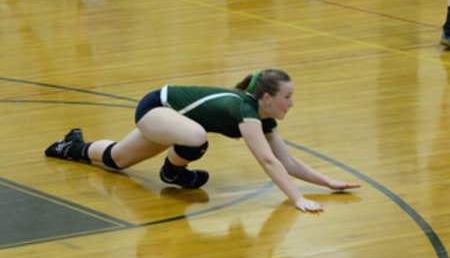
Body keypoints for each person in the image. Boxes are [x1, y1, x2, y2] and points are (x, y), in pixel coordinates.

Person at [44, 69, 361, 212]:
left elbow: (287, 162)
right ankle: (172, 172)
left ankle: (70, 146)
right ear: (267, 98)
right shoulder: (245, 109)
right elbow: (267, 161)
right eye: (287, 97)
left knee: (117, 159)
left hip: (173, 120)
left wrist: (328, 182)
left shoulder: (263, 118)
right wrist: (297, 199)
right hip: (157, 107)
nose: (291, 103)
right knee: (195, 137)